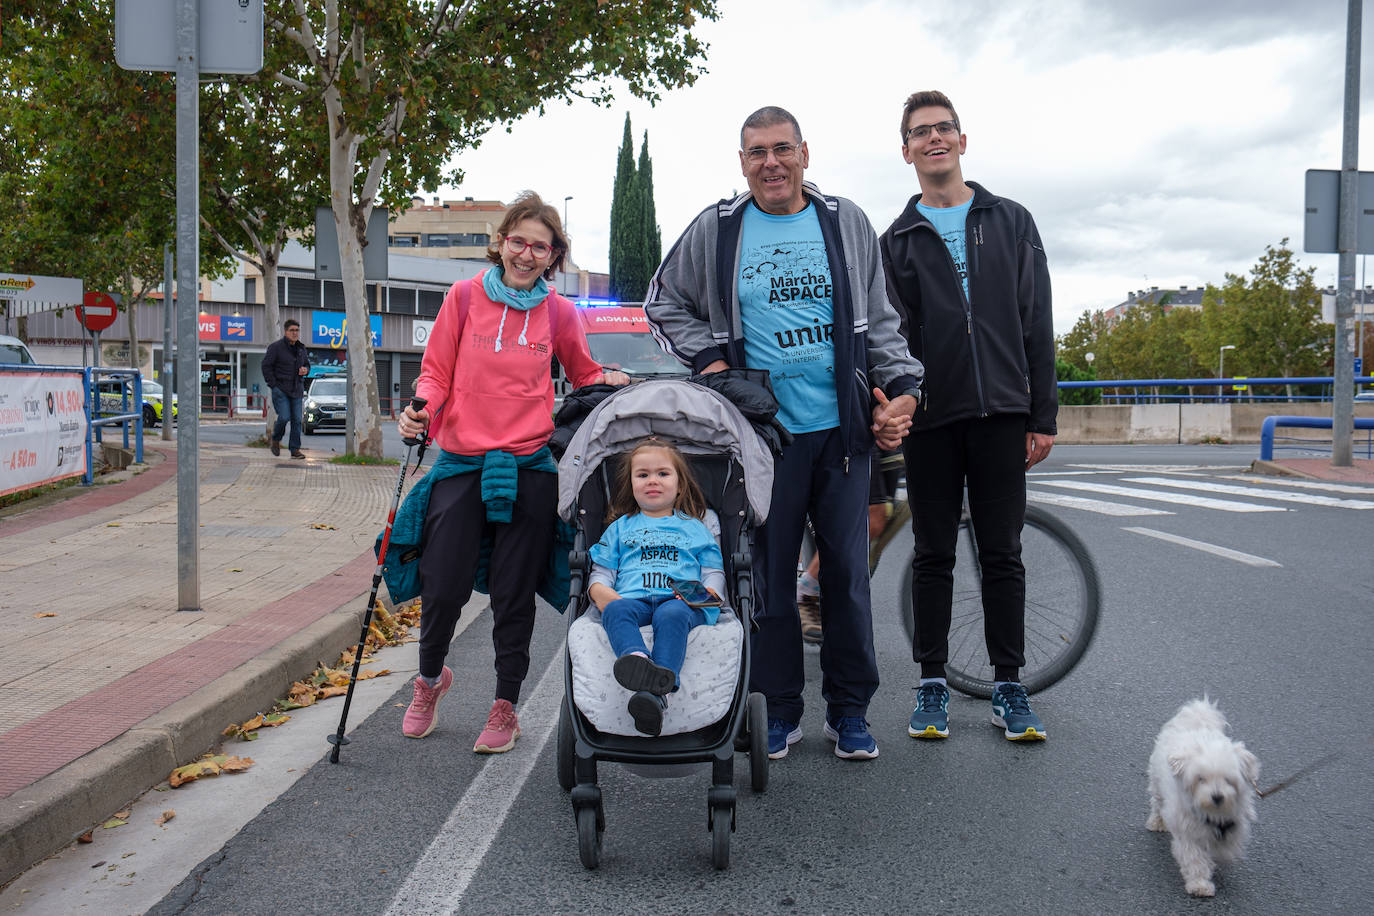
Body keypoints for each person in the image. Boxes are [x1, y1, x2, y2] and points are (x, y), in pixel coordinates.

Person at [645, 106, 923, 761]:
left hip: (843, 433)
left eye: (781, 149)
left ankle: (850, 712)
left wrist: (905, 390)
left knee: (846, 580)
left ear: (804, 153)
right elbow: (663, 303)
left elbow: (880, 321)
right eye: (756, 153)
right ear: (741, 163)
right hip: (763, 439)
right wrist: (715, 367)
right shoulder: (718, 230)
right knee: (768, 582)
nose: (770, 163)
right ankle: (779, 709)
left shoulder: (844, 221)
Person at [396, 191, 630, 753]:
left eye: (540, 247)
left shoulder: (560, 312)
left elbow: (583, 373)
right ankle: (430, 680)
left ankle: (505, 705)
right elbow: (436, 373)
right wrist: (419, 409)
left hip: (528, 464)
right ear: (500, 242)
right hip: (460, 462)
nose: (527, 254)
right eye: (518, 241)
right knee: (443, 584)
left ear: (553, 257)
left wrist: (612, 384)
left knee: (513, 593)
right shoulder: (463, 296)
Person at [879, 90, 1058, 742]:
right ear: (906, 152)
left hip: (1003, 414)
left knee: (1003, 553)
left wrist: (1043, 415)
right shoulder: (894, 241)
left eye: (943, 128)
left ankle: (1011, 686)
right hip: (930, 419)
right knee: (933, 554)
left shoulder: (1011, 221)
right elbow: (890, 340)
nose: (934, 139)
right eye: (920, 132)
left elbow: (1036, 320)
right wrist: (898, 404)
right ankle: (932, 684)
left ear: (961, 140)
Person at [586, 439, 726, 736]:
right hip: (633, 599)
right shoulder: (620, 527)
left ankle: (658, 691)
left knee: (672, 614)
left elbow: (713, 573)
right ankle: (637, 660)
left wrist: (705, 597)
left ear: (679, 484)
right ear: (631, 484)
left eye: (663, 473)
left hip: (681, 601)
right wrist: (604, 596)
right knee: (617, 608)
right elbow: (602, 574)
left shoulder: (697, 526)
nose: (653, 480)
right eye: (643, 474)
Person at [261, 319, 310, 458]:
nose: (295, 333)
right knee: (283, 417)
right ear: (285, 331)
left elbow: (308, 365)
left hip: (297, 389)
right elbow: (266, 366)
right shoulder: (275, 347)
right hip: (281, 389)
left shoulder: (301, 348)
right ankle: (276, 439)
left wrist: (306, 370)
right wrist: (273, 385)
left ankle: (294, 450)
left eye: (297, 330)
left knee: (297, 420)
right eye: (292, 330)